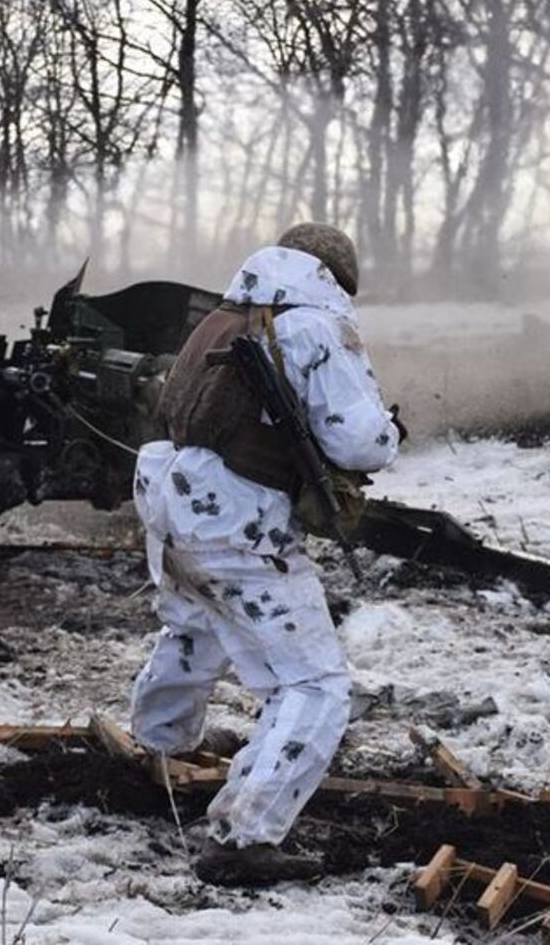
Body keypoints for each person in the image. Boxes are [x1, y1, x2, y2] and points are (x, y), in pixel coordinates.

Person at [129, 223, 402, 885]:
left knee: (197, 622)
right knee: (316, 684)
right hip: (238, 515)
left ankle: (161, 746)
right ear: (335, 277)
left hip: (170, 496)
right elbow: (361, 442)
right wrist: (391, 430)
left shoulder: (217, 318)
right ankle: (243, 834)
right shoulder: (315, 326)